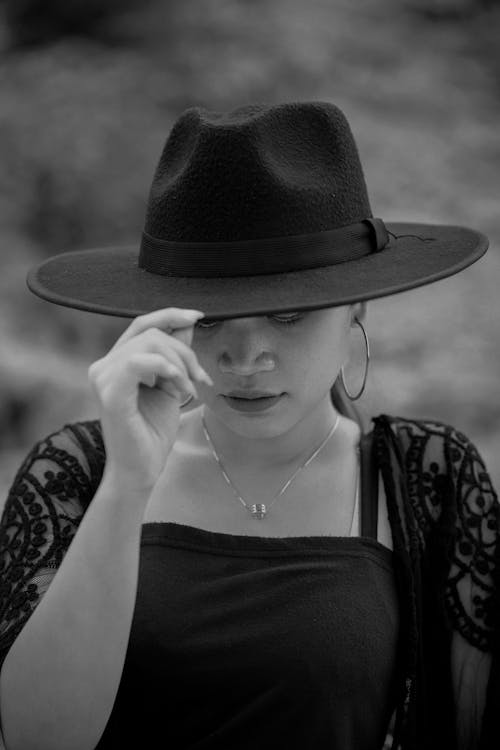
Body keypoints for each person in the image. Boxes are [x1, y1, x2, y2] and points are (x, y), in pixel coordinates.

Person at [0, 101, 497, 750]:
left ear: (358, 305)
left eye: (288, 315)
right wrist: (128, 485)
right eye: (208, 318)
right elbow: (38, 739)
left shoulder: (426, 476)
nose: (245, 357)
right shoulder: (77, 472)